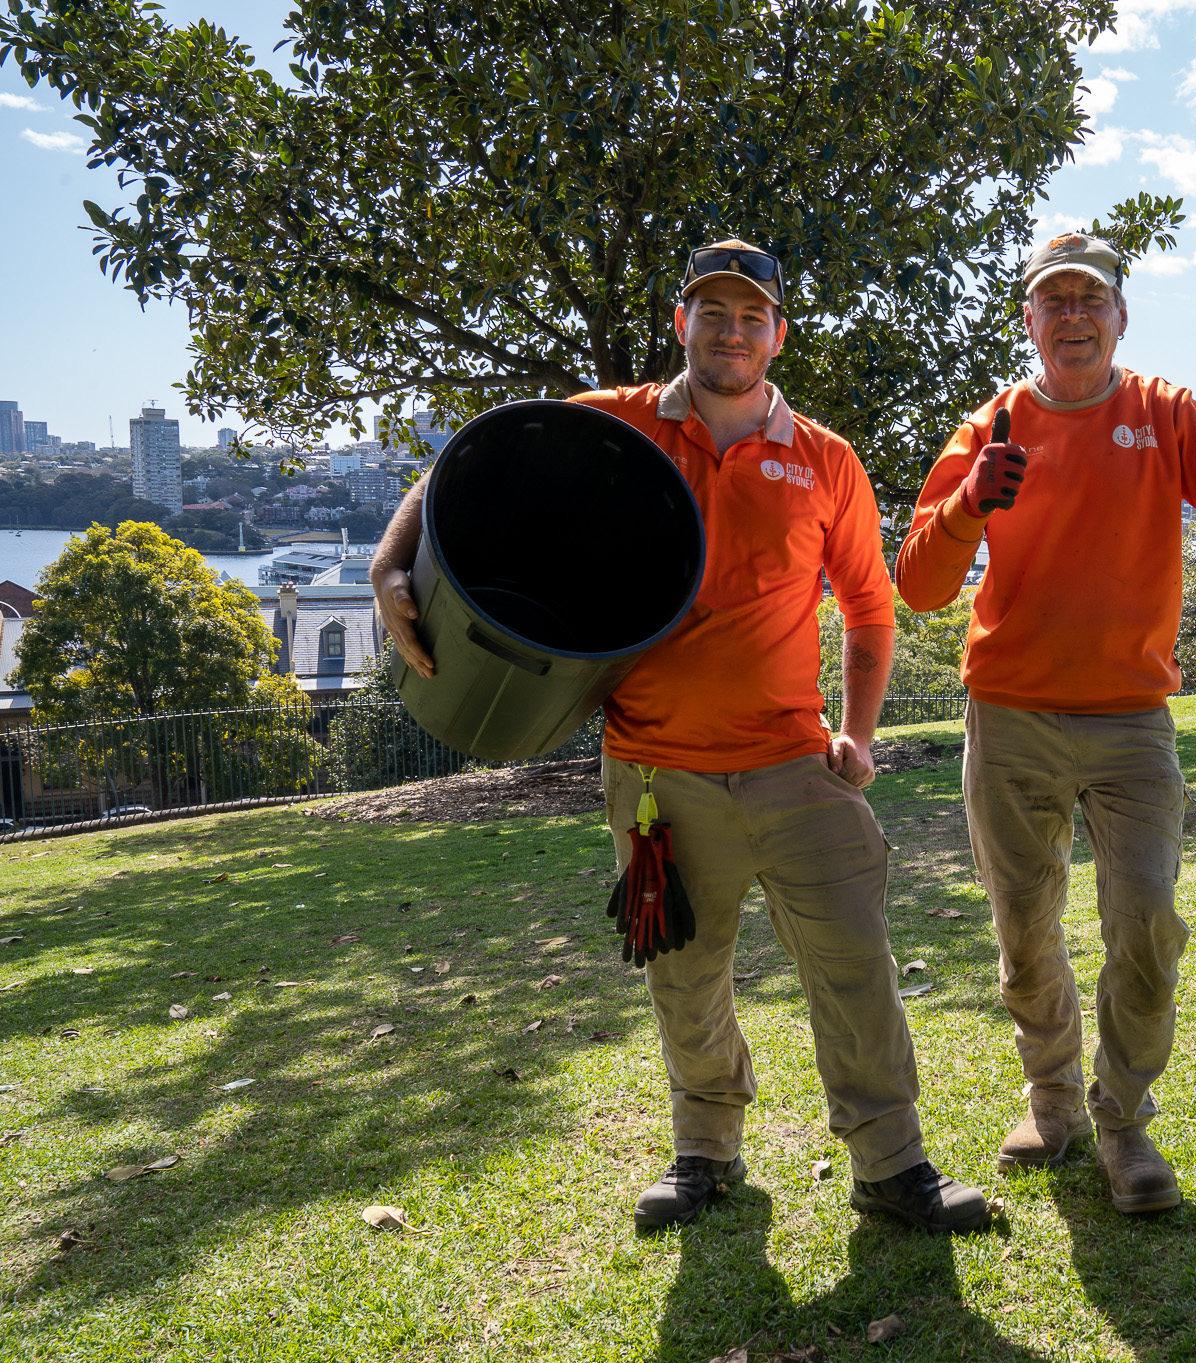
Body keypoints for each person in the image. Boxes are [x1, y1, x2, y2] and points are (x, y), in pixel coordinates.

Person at [372, 239, 989, 1235]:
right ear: (681, 324)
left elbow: (871, 611)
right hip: (658, 777)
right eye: (713, 311)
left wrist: (857, 732)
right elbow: (464, 462)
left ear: (777, 335)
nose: (732, 331)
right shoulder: (613, 425)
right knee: (684, 979)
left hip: (796, 769)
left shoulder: (825, 459)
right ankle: (705, 1154)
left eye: (751, 316)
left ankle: (890, 1164)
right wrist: (390, 565)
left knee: (854, 968)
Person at [894, 232, 1196, 1214]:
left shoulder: (1162, 416)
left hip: (1130, 721)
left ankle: (1121, 1122)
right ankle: (1051, 1097)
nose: (1071, 314)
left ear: (1120, 316)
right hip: (1011, 717)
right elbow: (919, 582)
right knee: (1024, 934)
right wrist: (965, 509)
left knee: (1144, 924)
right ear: (1026, 322)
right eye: (1051, 300)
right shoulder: (989, 427)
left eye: (1089, 298)